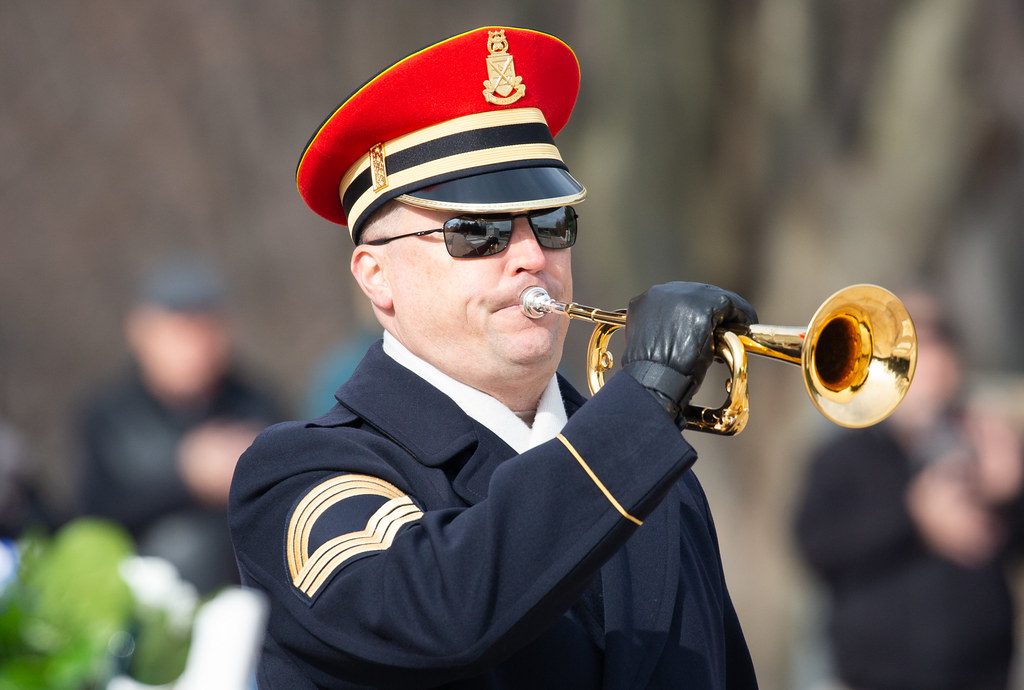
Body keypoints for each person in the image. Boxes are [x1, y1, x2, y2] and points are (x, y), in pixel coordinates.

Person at [229, 26, 760, 688]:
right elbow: (439, 612)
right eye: (476, 232)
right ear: (376, 276)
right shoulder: (299, 473)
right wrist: (643, 406)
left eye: (552, 223)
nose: (533, 257)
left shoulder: (658, 477)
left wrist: (637, 425)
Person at [793, 289, 1024, 690]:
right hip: (870, 678)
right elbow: (814, 545)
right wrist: (910, 518)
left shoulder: (989, 440)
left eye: (937, 340)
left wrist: (1010, 492)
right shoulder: (845, 452)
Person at [78, 256, 283, 594]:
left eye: (204, 332)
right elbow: (94, 519)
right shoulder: (110, 416)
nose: (193, 350)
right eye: (178, 333)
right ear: (141, 333)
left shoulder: (255, 403)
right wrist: (185, 476)